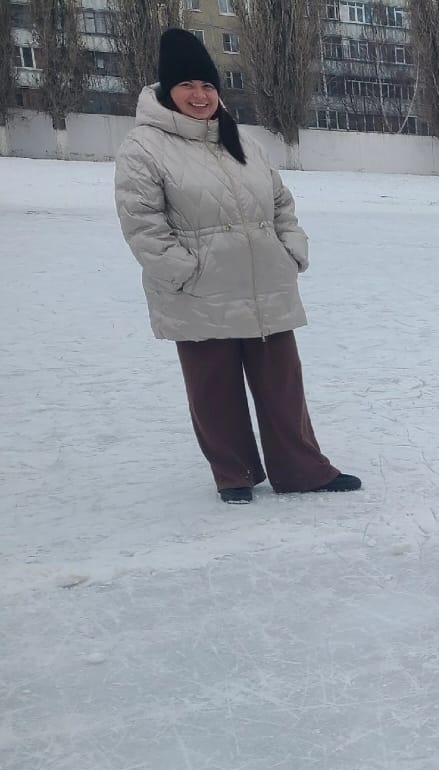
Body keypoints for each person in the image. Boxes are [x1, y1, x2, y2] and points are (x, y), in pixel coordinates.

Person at [113, 29, 358, 504]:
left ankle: (301, 468)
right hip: (199, 289)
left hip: (265, 280)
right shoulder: (143, 148)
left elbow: (281, 202)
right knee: (213, 390)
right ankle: (235, 473)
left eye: (207, 86)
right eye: (187, 86)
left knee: (283, 386)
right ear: (167, 91)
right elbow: (142, 225)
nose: (200, 96)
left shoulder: (242, 139)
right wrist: (184, 271)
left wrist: (291, 248)